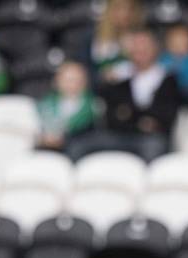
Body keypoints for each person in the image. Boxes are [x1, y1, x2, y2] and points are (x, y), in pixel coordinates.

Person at [69, 29, 180, 163]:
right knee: (79, 145)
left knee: (153, 147)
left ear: (155, 49)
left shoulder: (168, 80)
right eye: (136, 47)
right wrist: (140, 120)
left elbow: (164, 117)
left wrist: (129, 114)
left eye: (144, 47)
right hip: (119, 136)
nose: (140, 51)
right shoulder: (119, 79)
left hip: (151, 139)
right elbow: (112, 116)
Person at [37, 62, 97, 156]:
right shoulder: (46, 103)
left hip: (76, 148)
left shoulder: (92, 105)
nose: (72, 85)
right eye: (68, 80)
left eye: (76, 80)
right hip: (46, 146)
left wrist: (60, 136)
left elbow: (82, 125)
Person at [159, 23, 188, 105]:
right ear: (168, 45)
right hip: (168, 93)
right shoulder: (163, 59)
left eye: (183, 45)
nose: (179, 49)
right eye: (175, 45)